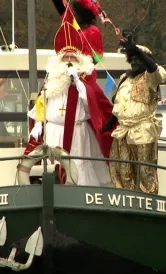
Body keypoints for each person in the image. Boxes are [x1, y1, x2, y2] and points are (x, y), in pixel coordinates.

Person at [25, 22, 113, 186]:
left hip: (77, 134)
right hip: (53, 132)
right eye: (66, 57)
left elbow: (92, 104)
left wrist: (77, 80)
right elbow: (42, 101)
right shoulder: (52, 78)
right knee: (52, 167)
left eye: (73, 57)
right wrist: (38, 123)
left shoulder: (85, 80)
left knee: (79, 168)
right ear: (60, 59)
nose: (69, 60)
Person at [102, 35, 166, 193]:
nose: (134, 62)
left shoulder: (151, 77)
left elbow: (155, 69)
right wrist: (108, 125)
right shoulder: (125, 78)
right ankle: (126, 195)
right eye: (131, 59)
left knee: (145, 170)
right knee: (122, 169)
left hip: (143, 130)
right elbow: (119, 106)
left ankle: (149, 198)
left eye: (138, 59)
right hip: (123, 131)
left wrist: (138, 51)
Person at [52, 0, 103, 83]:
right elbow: (62, 9)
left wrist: (83, 67)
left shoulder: (93, 31)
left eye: (76, 12)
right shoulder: (71, 23)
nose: (74, 13)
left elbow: (98, 56)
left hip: (86, 74)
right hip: (67, 70)